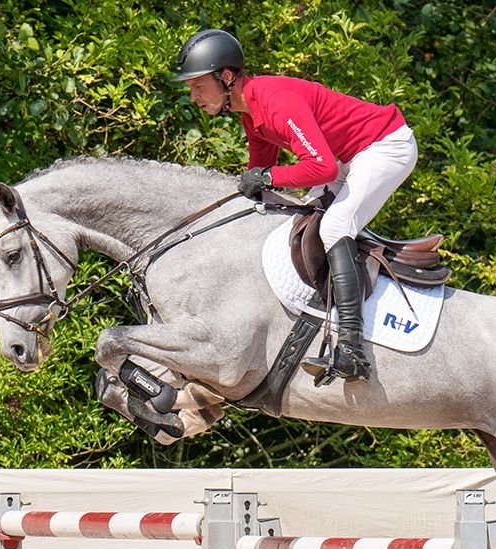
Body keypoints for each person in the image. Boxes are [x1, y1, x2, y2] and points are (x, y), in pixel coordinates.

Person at [173, 28, 418, 383]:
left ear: (226, 77)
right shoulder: (250, 113)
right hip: (349, 157)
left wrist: (268, 178)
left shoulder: (275, 102)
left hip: (385, 147)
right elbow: (259, 173)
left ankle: (351, 349)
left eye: (197, 85)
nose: (192, 96)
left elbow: (322, 168)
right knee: (305, 218)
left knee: (335, 227)